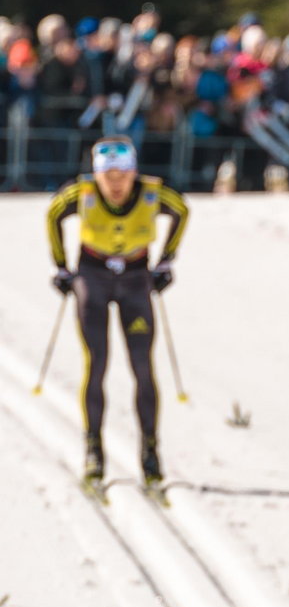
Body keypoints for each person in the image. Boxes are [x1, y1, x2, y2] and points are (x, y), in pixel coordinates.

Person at [46, 134, 189, 487]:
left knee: (142, 366)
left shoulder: (153, 193)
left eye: (121, 177)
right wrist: (62, 267)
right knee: (96, 364)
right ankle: (94, 450)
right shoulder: (83, 193)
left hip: (136, 279)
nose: (115, 186)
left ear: (133, 173)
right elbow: (53, 214)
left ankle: (150, 452)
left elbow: (182, 211)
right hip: (92, 277)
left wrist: (165, 262)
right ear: (96, 175)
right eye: (107, 178)